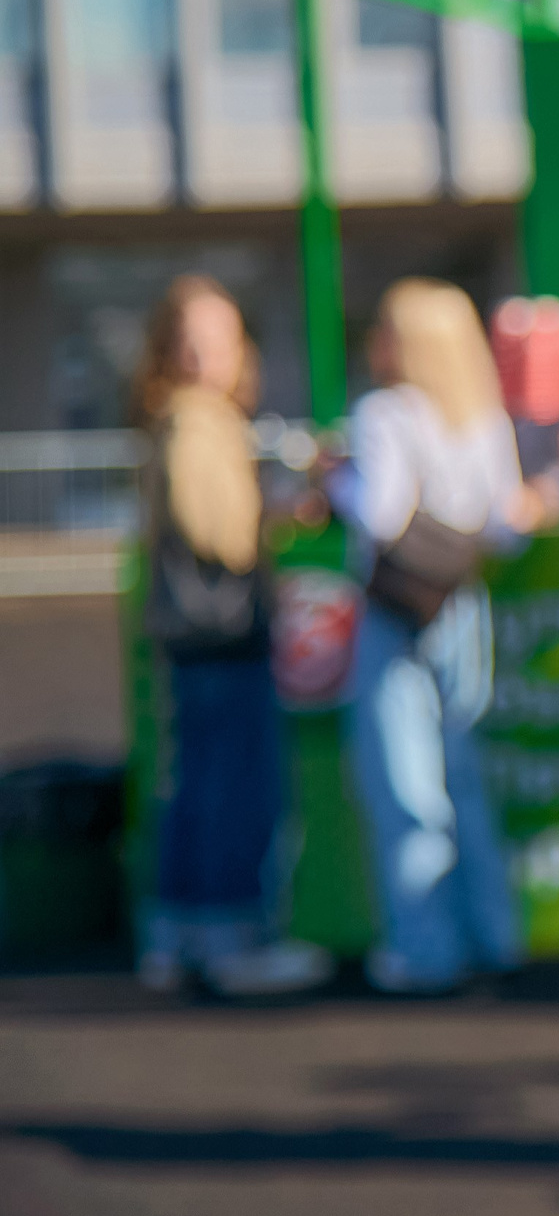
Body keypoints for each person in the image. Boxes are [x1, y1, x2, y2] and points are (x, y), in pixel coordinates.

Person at [332, 279, 556, 995]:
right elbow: (507, 524)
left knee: (406, 785)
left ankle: (425, 949)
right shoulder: (482, 416)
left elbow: (381, 517)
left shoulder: (385, 413)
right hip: (464, 605)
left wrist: (335, 481)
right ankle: (495, 933)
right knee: (465, 781)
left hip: (399, 609)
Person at [132, 276, 335, 999]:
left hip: (192, 637)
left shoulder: (174, 417)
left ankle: (176, 935)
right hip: (220, 632)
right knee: (236, 790)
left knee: (191, 788)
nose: (202, 351)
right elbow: (215, 529)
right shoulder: (198, 420)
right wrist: (281, 513)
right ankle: (233, 939)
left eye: (216, 336)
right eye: (191, 336)